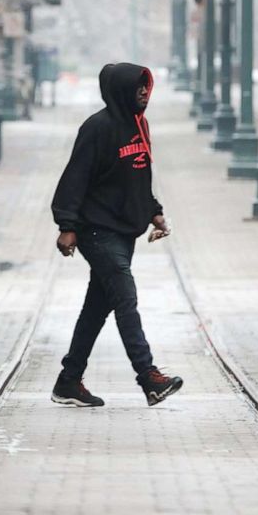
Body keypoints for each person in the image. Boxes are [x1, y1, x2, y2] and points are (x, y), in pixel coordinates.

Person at [49, 62, 184, 408]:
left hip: (124, 233)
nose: (144, 92)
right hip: (96, 230)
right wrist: (67, 226)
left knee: (97, 308)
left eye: (146, 86)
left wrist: (154, 212)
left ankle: (68, 381)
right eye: (138, 86)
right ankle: (149, 377)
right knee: (126, 298)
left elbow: (138, 178)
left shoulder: (140, 127)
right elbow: (74, 178)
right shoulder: (97, 128)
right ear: (121, 89)